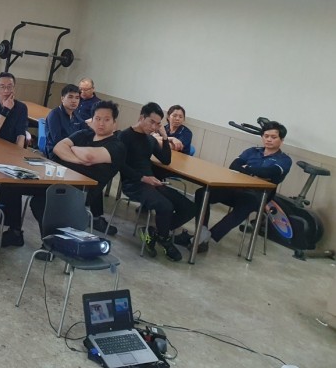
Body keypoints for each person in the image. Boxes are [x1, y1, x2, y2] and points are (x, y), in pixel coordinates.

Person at [176, 121, 292, 252]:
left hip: (258, 194)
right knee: (202, 193)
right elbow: (234, 166)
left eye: (273, 137)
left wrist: (247, 168)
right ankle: (202, 232)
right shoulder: (252, 151)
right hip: (235, 187)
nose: (269, 139)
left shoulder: (284, 160)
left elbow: (271, 172)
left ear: (281, 140)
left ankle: (208, 237)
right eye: (266, 136)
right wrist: (255, 173)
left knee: (247, 204)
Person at [118, 102, 195, 262]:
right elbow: (119, 164)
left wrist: (165, 137)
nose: (154, 127)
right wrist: (142, 178)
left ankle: (155, 233)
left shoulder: (150, 139)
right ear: (141, 118)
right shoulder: (125, 136)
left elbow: (166, 159)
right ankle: (165, 240)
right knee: (166, 206)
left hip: (152, 182)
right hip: (133, 183)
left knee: (189, 207)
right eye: (151, 122)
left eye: (157, 124)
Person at [51, 100, 126, 236]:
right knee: (15, 189)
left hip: (80, 193)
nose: (101, 123)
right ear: (92, 120)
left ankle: (52, 241)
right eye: (97, 119)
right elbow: (58, 147)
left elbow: (89, 157)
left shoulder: (117, 146)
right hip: (57, 180)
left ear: (114, 123)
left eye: (106, 119)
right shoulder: (84, 134)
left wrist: (72, 148)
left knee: (42, 204)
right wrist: (78, 159)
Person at [0, 72, 29, 247]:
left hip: (11, 153)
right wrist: (5, 110)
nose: (6, 90)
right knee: (3, 180)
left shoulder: (21, 107)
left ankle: (14, 230)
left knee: (11, 181)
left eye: (10, 87)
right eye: (3, 87)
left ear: (14, 89)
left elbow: (20, 134)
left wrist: (17, 153)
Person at [44, 83, 86, 158]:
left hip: (73, 150)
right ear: (62, 99)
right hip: (56, 153)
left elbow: (85, 132)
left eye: (77, 98)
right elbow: (57, 140)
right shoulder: (55, 114)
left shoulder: (76, 115)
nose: (74, 101)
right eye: (70, 97)